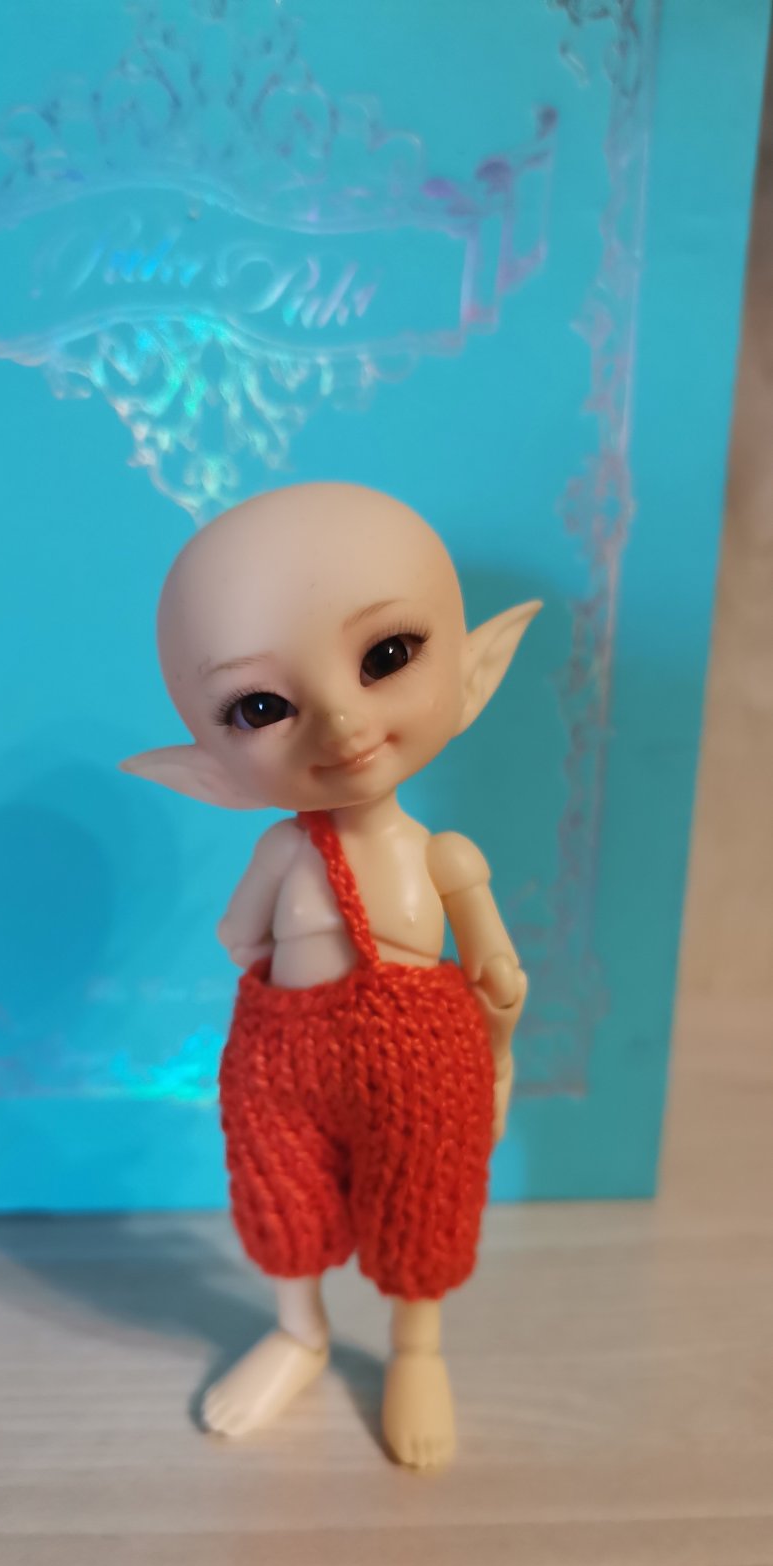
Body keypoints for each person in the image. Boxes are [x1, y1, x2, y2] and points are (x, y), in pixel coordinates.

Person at [123, 481, 538, 1469]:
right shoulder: (283, 849)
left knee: (423, 1203)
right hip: (284, 1059)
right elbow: (239, 938)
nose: (343, 724)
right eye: (261, 707)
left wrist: (497, 1051)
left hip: (419, 1058)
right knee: (283, 1198)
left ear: (471, 670)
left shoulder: (443, 856)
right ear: (212, 767)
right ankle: (299, 1330)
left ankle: (416, 1348)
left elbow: (494, 973)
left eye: (387, 656)